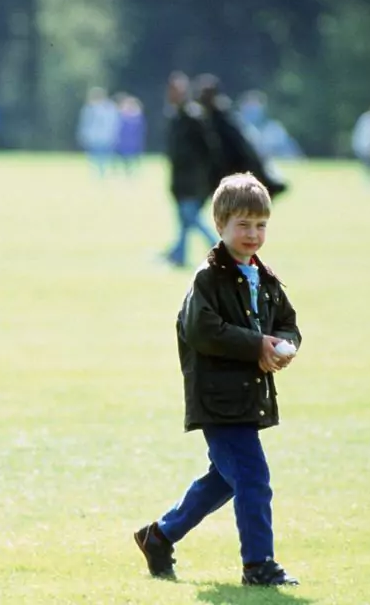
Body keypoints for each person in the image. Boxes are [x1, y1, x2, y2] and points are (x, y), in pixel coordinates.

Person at [134, 172, 302, 587]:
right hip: (218, 401)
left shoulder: (265, 279)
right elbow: (202, 330)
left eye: (260, 224)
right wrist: (256, 346)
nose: (252, 233)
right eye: (242, 225)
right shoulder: (207, 279)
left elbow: (288, 323)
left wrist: (284, 344)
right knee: (253, 479)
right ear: (220, 226)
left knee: (225, 480)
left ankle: (159, 536)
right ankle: (258, 565)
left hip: (249, 398)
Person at [164, 71, 218, 267]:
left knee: (191, 218)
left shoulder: (193, 116)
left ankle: (220, 248)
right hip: (179, 179)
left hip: (192, 180)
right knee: (185, 221)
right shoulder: (175, 116)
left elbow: (208, 149)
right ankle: (179, 254)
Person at [77, 86, 119, 176]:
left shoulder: (109, 108)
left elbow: (114, 123)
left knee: (105, 156)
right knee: (94, 156)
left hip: (106, 136)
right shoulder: (89, 108)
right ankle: (98, 173)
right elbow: (85, 123)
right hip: (94, 137)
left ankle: (103, 172)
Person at [114, 93, 146, 174]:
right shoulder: (120, 116)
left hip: (133, 142)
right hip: (123, 142)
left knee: (133, 158)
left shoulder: (137, 117)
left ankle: (132, 171)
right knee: (123, 158)